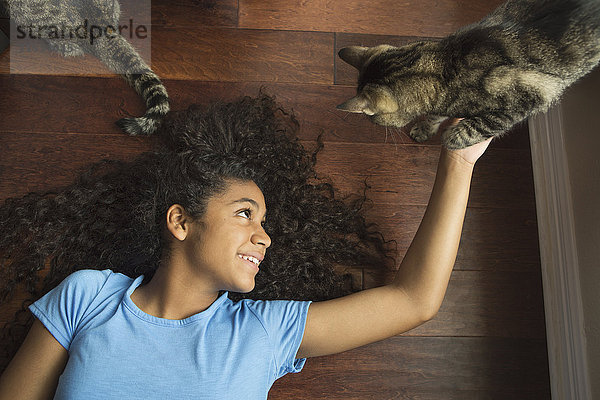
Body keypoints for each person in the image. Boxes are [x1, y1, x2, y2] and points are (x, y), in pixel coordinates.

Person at [0, 95, 491, 399]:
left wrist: (460, 161)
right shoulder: (88, 297)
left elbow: (414, 301)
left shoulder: (262, 332)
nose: (264, 235)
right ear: (181, 222)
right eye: (244, 213)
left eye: (265, 221)